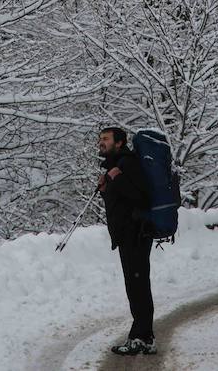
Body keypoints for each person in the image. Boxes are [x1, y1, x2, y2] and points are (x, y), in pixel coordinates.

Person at [97, 126, 157, 356]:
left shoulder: (127, 164)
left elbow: (142, 197)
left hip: (136, 233)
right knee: (137, 286)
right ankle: (145, 337)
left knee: (137, 286)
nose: (101, 142)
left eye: (106, 139)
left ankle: (139, 337)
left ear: (119, 142)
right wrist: (106, 188)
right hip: (128, 234)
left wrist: (117, 179)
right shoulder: (117, 165)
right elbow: (121, 201)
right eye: (100, 139)